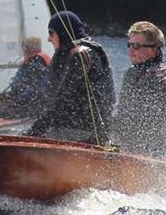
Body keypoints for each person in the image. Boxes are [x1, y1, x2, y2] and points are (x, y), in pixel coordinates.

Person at [28, 10, 115, 144]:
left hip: (83, 133)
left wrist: (34, 131)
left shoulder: (80, 55)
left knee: (36, 137)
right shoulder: (69, 54)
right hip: (70, 128)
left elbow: (63, 98)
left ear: (62, 32)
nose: (48, 39)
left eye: (51, 33)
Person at [113, 20, 166, 157]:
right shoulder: (131, 73)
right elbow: (124, 113)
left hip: (149, 147)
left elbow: (163, 118)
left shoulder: (163, 74)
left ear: (155, 49)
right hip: (125, 141)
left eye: (137, 46)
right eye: (130, 45)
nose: (131, 50)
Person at [0, 36, 51, 119]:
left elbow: (31, 90)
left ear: (26, 48)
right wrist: (8, 96)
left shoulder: (34, 63)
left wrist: (12, 97)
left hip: (29, 106)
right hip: (32, 102)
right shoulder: (39, 61)